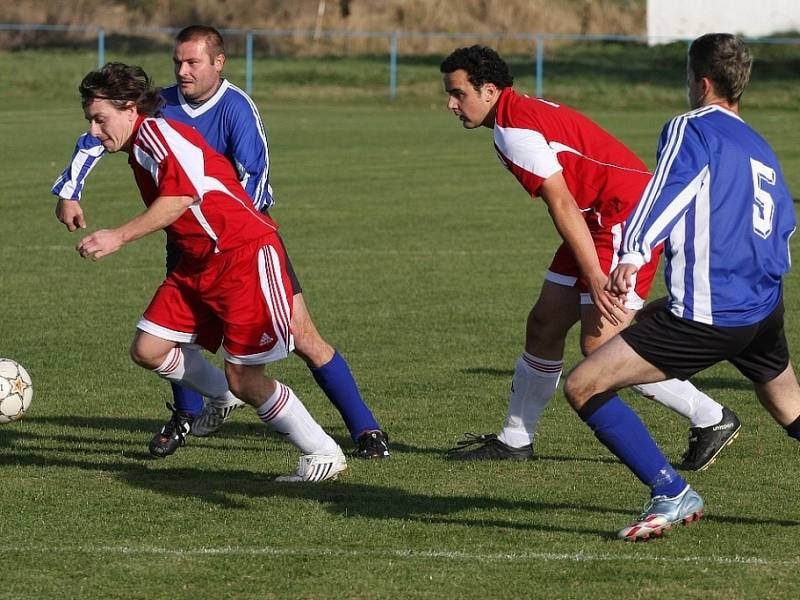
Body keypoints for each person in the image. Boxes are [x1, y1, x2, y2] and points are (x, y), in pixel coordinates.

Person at [52, 25, 389, 460]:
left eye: (192, 62)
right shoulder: (160, 106)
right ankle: (195, 411)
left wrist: (216, 226)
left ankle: (362, 430)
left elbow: (248, 180)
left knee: (298, 339)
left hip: (241, 242)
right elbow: (96, 138)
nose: (183, 71)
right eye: (177, 62)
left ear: (218, 62)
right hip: (190, 241)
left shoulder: (235, 109)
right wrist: (69, 190)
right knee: (163, 340)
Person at [440, 45, 739, 470]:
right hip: (597, 217)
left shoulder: (512, 128)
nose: (451, 105)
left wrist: (597, 276)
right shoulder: (515, 113)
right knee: (544, 322)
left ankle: (711, 418)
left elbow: (560, 203)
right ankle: (515, 439)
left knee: (603, 346)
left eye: (458, 93)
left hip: (620, 216)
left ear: (489, 90)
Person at [563, 33, 800, 540]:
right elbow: (784, 224)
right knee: (789, 405)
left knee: (584, 384)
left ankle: (671, 491)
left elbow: (665, 189)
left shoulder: (691, 127)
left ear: (702, 81)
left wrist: (631, 252)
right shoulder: (760, 146)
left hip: (712, 316)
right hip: (763, 305)